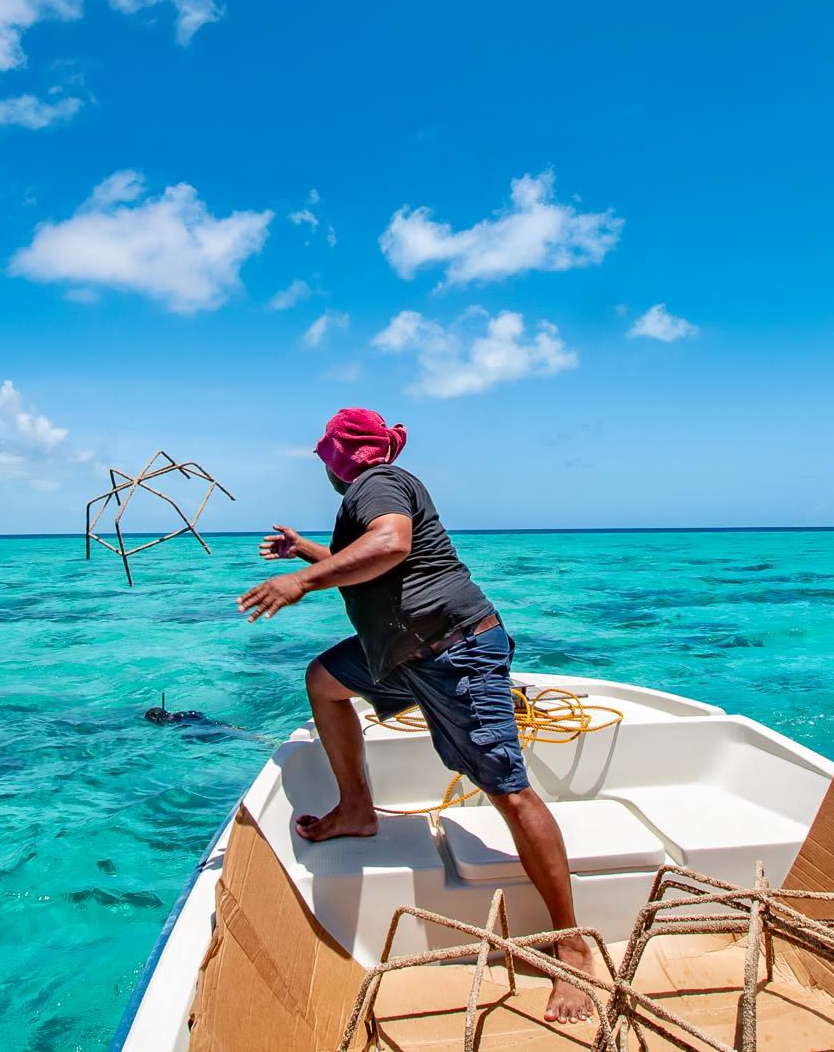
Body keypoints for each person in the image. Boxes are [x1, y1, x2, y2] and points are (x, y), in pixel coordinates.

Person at [237, 407, 595, 1024]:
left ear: (340, 456)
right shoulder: (376, 490)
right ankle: (356, 809)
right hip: (402, 650)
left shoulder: (374, 485)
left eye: (325, 454)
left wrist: (302, 579)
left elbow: (392, 544)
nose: (323, 464)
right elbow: (378, 568)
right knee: (324, 681)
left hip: (450, 647)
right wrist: (312, 550)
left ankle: (572, 944)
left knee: (508, 792)